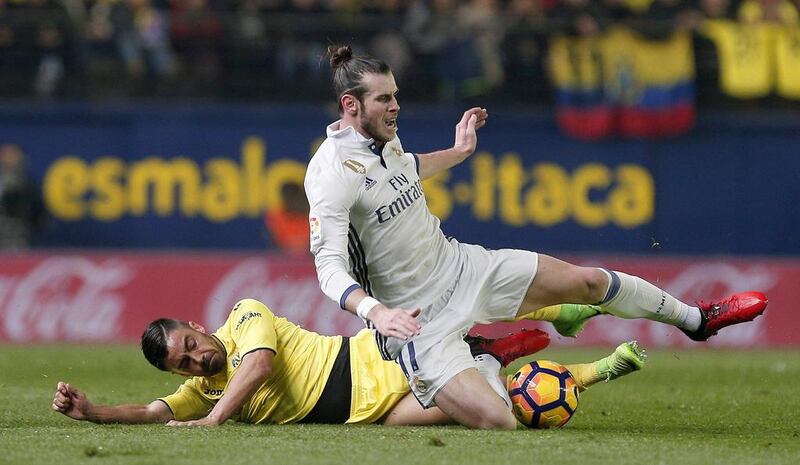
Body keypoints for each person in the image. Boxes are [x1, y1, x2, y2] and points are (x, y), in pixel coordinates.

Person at [302, 44, 768, 430]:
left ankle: (697, 319)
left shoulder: (385, 137)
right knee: (498, 421)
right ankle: (481, 357)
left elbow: (407, 170)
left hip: (462, 266)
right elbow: (328, 268)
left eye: (395, 95)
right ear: (351, 105)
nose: (396, 106)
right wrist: (377, 312)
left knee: (585, 282)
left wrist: (459, 151)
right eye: (384, 98)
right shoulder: (330, 174)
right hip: (416, 320)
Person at [51, 298, 646, 426]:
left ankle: (558, 306)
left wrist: (211, 422)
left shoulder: (242, 317)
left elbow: (257, 368)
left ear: (198, 326)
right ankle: (594, 372)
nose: (197, 360)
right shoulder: (201, 390)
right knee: (497, 411)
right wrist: (95, 412)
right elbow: (153, 414)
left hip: (375, 364)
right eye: (184, 365)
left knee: (451, 300)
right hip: (372, 416)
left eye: (190, 345)